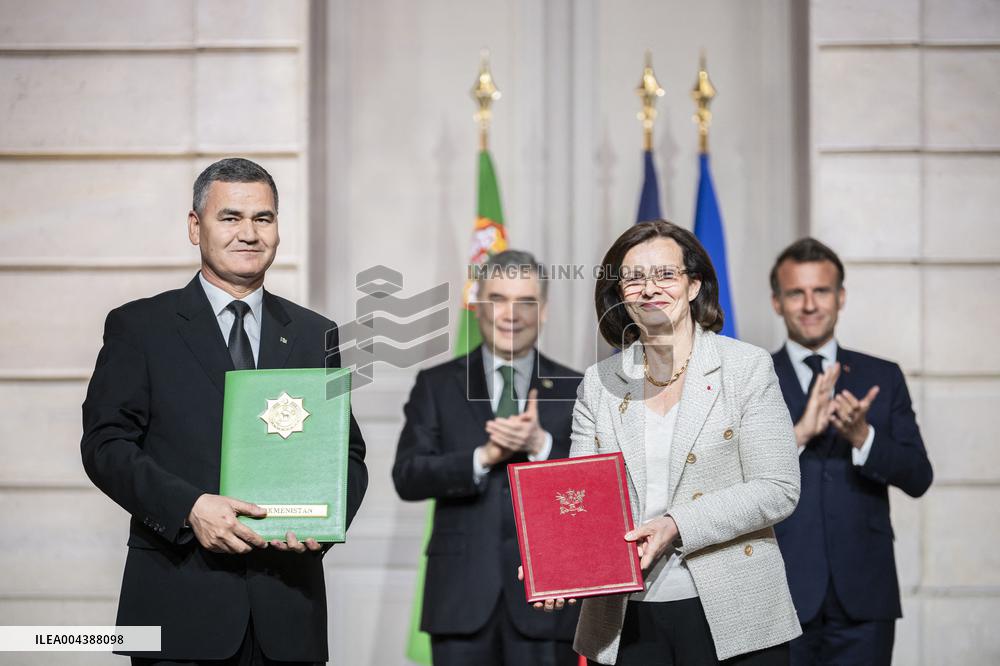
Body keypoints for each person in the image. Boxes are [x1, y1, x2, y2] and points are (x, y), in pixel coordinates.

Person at [81, 158, 368, 665]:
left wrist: (320, 525)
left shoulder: (313, 333)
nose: (249, 233)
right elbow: (106, 446)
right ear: (196, 227)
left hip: (287, 613)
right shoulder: (141, 327)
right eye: (230, 217)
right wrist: (189, 507)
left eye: (263, 219)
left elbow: (346, 454)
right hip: (179, 607)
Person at [564, 220, 802, 665]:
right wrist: (558, 561)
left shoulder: (746, 368)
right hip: (624, 618)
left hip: (735, 612)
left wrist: (676, 524)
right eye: (634, 278)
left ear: (694, 286)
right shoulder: (598, 384)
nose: (650, 289)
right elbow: (580, 493)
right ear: (619, 294)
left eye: (665, 275)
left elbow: (778, 488)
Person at [392, 249, 582, 666]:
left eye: (525, 301)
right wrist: (484, 456)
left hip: (548, 599)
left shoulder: (578, 387)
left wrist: (540, 447)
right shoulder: (436, 384)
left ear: (544, 310)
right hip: (459, 602)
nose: (510, 314)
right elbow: (408, 475)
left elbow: (593, 490)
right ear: (477, 303)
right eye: (497, 298)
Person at [769, 238, 933, 666]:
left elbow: (919, 477)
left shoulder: (883, 376)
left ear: (840, 298)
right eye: (795, 293)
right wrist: (800, 433)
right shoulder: (752, 376)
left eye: (820, 291)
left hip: (865, 597)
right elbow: (725, 476)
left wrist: (864, 437)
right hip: (777, 593)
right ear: (776, 302)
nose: (809, 304)